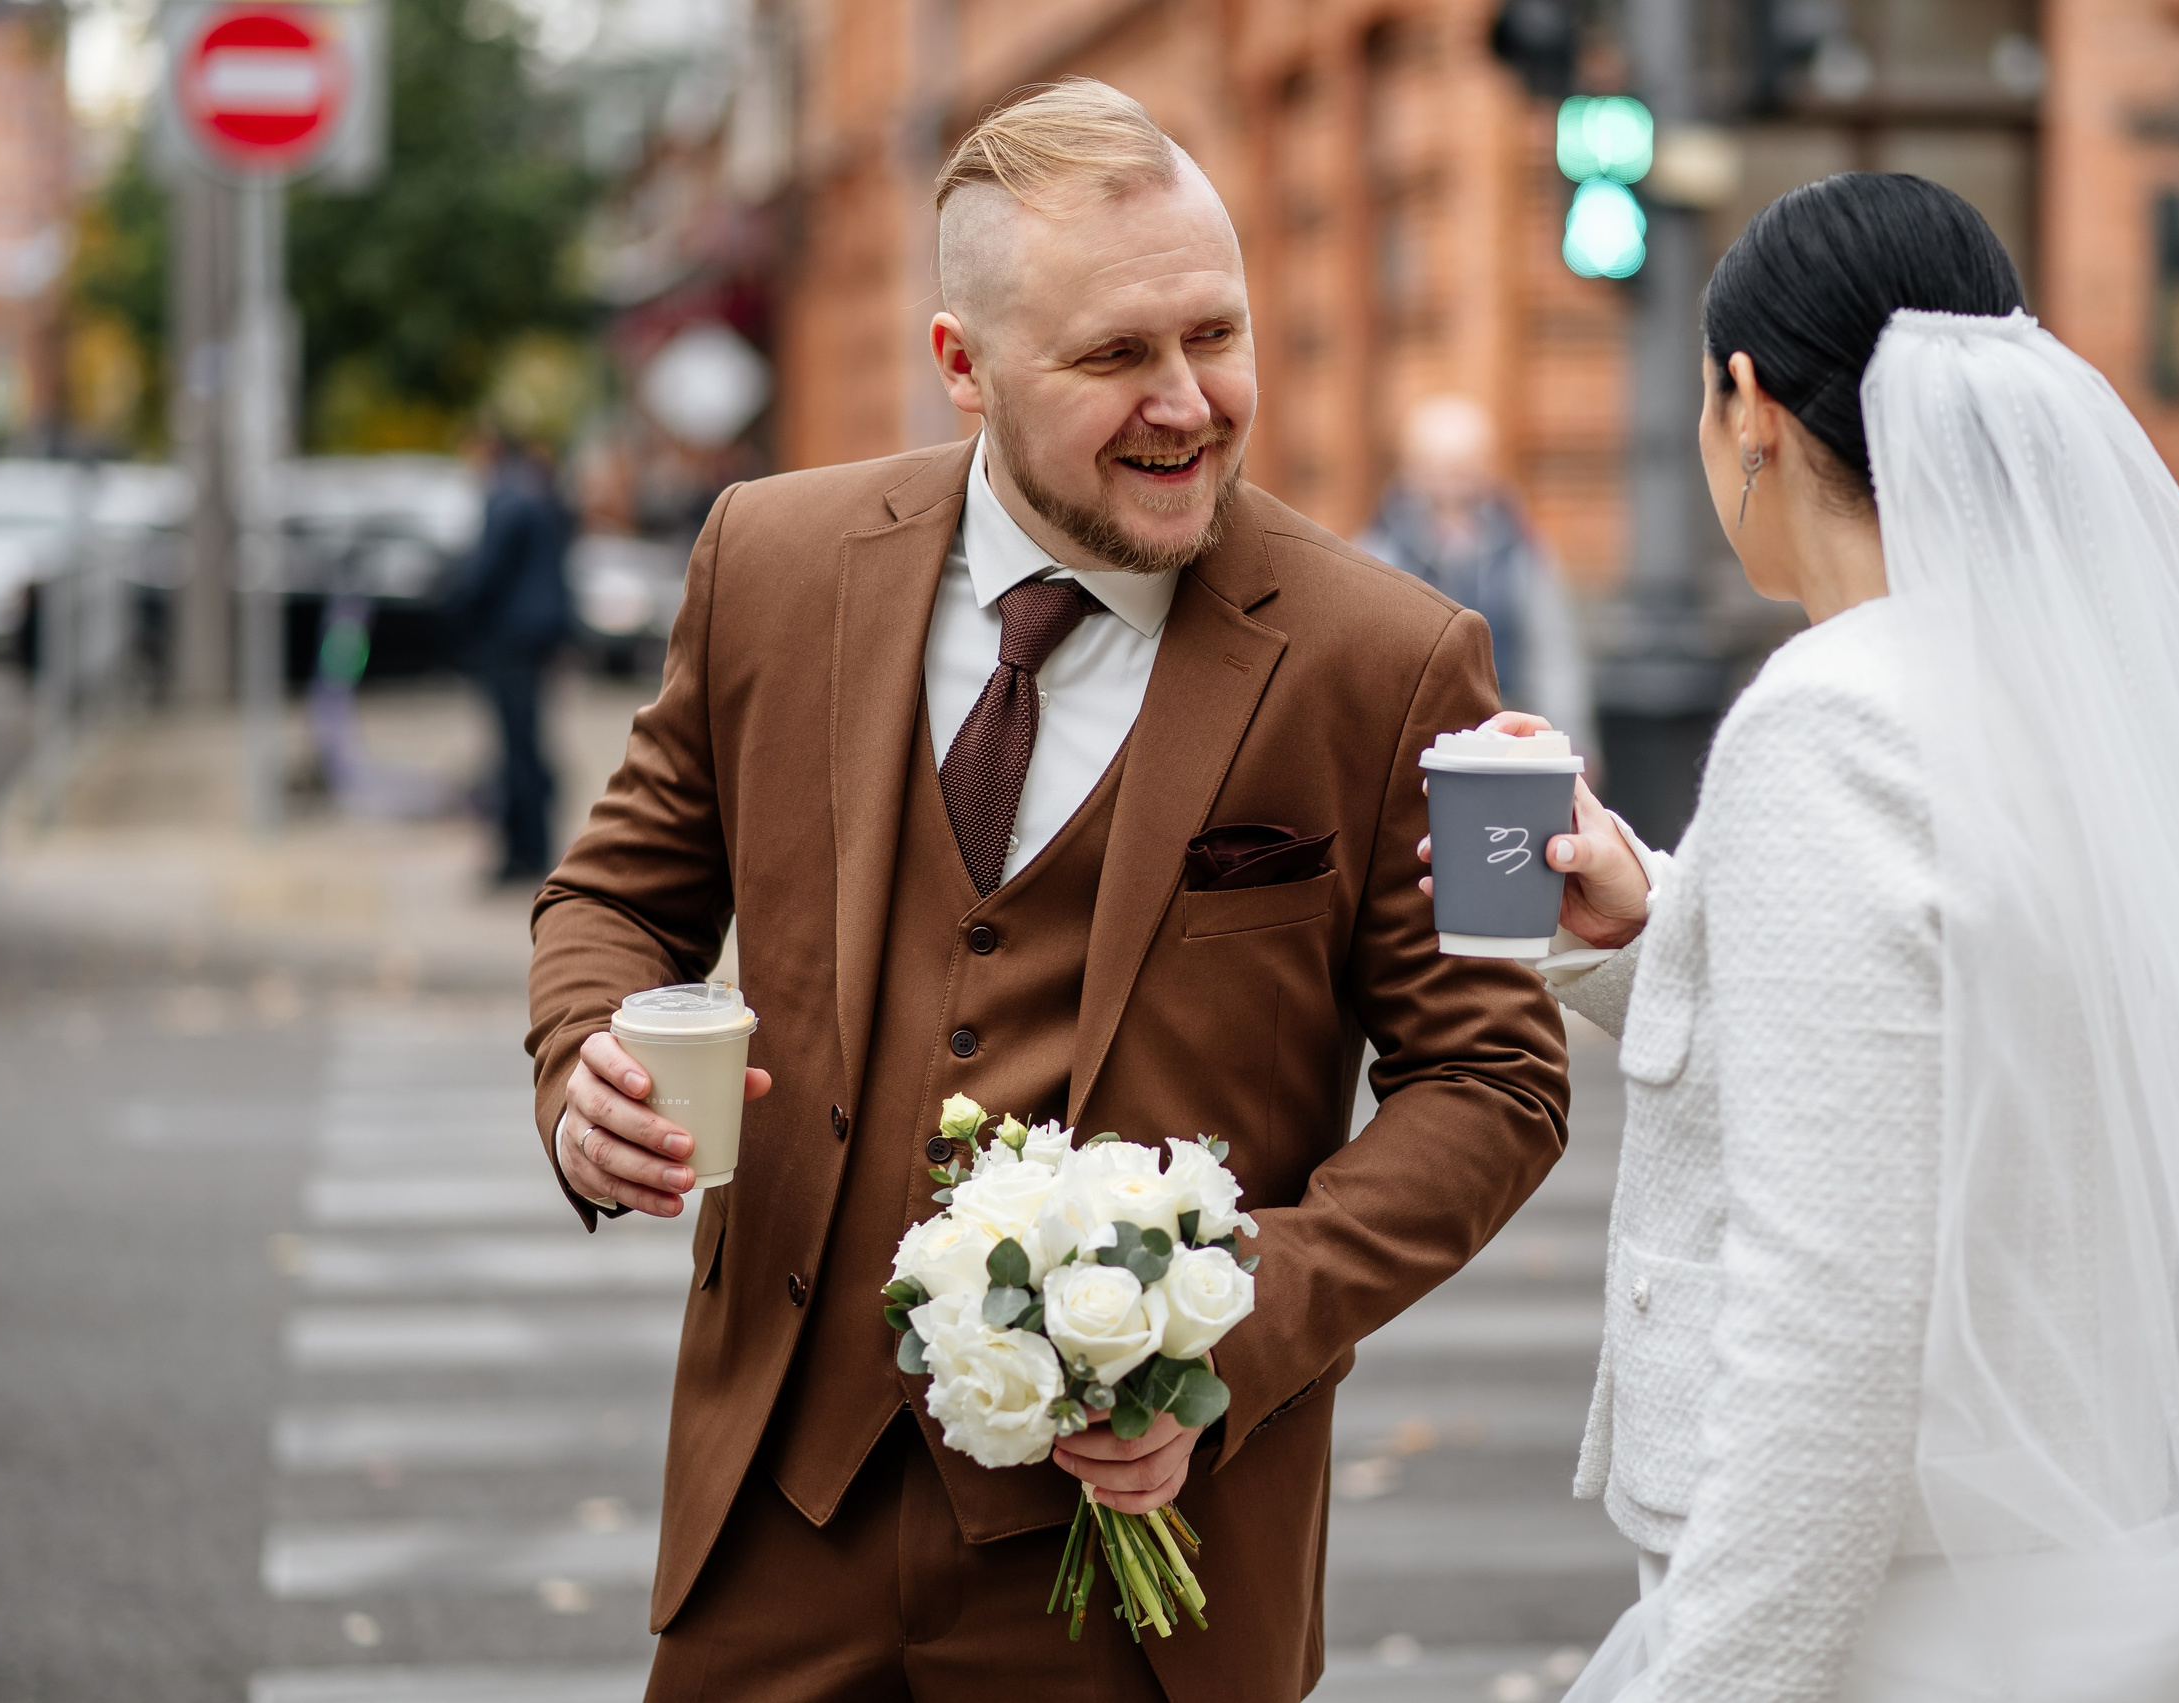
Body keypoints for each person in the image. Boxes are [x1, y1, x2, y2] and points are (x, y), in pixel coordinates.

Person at [525, 80, 1568, 1703]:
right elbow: (617, 895)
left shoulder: (1386, 658)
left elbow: (1495, 1076)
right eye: (1113, 356)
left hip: (1146, 1573)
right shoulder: (773, 563)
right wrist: (583, 1063)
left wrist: (1230, 1324)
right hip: (772, 1528)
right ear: (962, 365)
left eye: (1214, 334)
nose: (1189, 403)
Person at [1422, 174, 2179, 1702]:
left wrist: (1709, 1676)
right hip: (2047, 1550)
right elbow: (1970, 1048)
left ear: (1749, 408)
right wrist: (1663, 918)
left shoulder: (1830, 720)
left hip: (1887, 1617)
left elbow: (1828, 1318)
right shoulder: (2072, 693)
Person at [1359, 396, 1600, 767]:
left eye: (1463, 466)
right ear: (1412, 470)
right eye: (1439, 466)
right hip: (1410, 743)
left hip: (1507, 737)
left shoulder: (1519, 546)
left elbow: (1552, 647)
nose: (1452, 482)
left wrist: (1572, 740)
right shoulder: (1380, 550)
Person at [448, 429, 575, 883]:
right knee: (528, 743)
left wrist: (452, 609)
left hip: (510, 639)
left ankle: (523, 852)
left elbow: (484, 574)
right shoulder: (536, 493)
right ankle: (532, 844)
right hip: (538, 636)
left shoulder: (505, 500)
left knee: (515, 749)